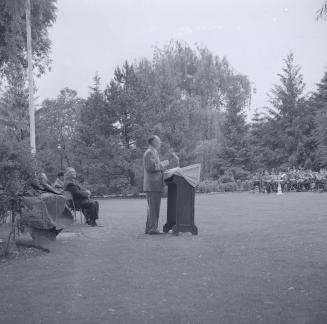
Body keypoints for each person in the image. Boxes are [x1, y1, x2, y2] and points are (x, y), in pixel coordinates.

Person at [143, 135, 169, 234]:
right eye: (158, 141)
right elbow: (150, 168)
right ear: (153, 142)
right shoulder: (149, 152)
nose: (160, 142)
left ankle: (149, 228)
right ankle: (153, 229)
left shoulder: (154, 152)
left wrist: (161, 164)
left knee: (152, 208)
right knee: (153, 208)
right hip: (152, 184)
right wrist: (163, 164)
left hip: (155, 184)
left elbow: (154, 165)